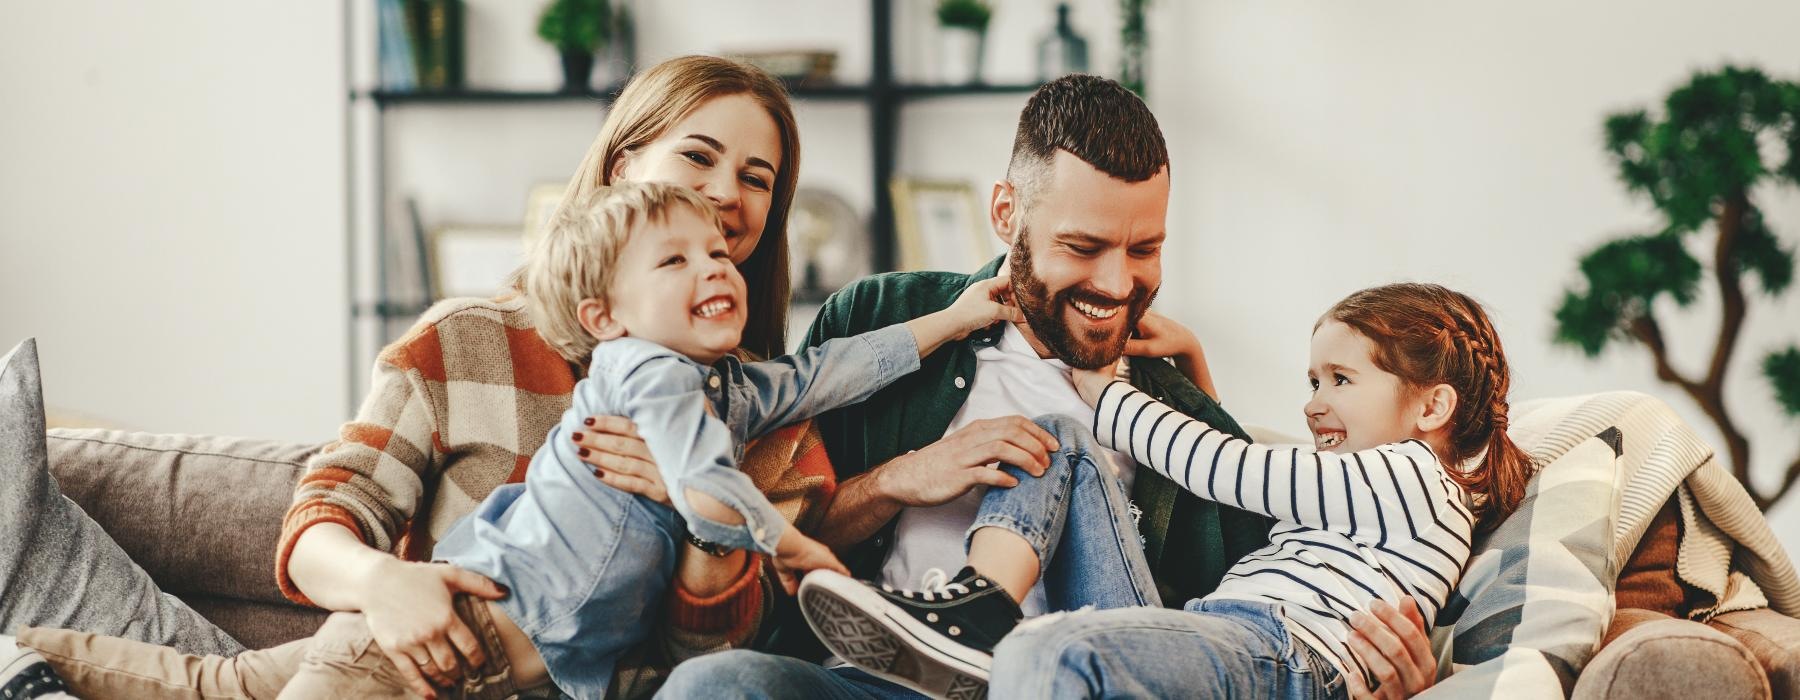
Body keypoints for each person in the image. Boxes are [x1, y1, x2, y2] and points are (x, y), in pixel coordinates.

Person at [19, 181, 1026, 699]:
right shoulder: (644, 374)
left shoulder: (724, 384)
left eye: (720, 250)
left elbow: (826, 370)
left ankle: (25, 651)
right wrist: (799, 548)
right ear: (605, 317)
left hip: (474, 672)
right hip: (420, 647)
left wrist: (953, 318)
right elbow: (705, 482)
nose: (716, 265)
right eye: (676, 258)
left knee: (216, 684)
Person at [6, 55, 813, 699]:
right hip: (419, 668)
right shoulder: (468, 341)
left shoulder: (765, 411)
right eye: (698, 156)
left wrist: (699, 506)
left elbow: (710, 667)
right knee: (217, 683)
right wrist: (383, 583)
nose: (725, 192)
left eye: (757, 178)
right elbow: (322, 523)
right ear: (623, 164)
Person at [658, 74, 1443, 700]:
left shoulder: (1173, 411)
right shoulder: (883, 320)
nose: (1118, 283)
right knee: (712, 687)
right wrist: (900, 479)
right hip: (877, 681)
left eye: (1145, 249)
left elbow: (1248, 612)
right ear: (1007, 213)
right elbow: (777, 538)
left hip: (1065, 679)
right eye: (1083, 245)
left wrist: (1382, 671)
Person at [804, 282, 1538, 699]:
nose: (1313, 404)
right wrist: (1192, 360)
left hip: (1285, 657)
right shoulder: (1368, 494)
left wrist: (1108, 391)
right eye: (1312, 381)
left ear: (1433, 406)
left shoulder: (1414, 477)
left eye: (1340, 380)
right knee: (1057, 440)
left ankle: (997, 637)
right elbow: (1249, 491)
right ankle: (978, 608)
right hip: (1224, 639)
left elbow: (1231, 471)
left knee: (1051, 654)